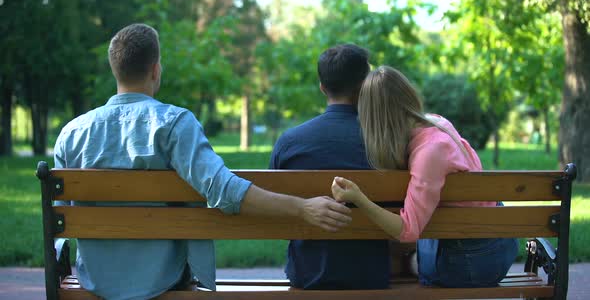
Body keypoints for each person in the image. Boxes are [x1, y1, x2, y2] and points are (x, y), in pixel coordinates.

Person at [54, 23, 352, 300]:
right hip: (163, 282)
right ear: (156, 70)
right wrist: (302, 207)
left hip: (97, 281)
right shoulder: (173, 124)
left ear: (115, 70)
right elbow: (222, 190)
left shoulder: (72, 133)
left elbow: (64, 214)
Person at [331, 65, 518, 288]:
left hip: (471, 261)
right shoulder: (437, 122)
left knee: (396, 263)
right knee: (397, 255)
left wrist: (359, 199)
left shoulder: (429, 153)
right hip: (497, 238)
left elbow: (408, 230)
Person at [269, 44, 392, 289]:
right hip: (372, 274)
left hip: (308, 274)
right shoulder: (386, 141)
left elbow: (279, 218)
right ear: (365, 85)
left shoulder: (289, 142)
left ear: (322, 87)